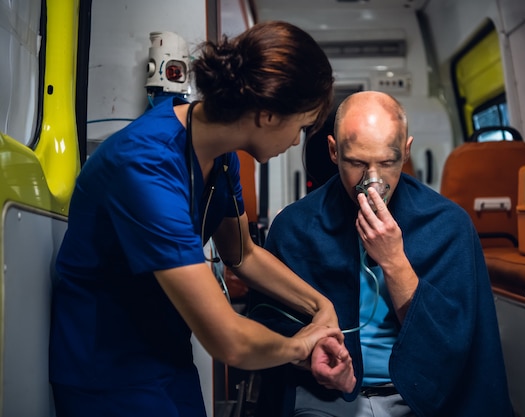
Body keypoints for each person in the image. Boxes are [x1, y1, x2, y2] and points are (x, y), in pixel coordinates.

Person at [49, 21, 353, 417]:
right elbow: (230, 342)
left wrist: (320, 306)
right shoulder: (145, 165)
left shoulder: (221, 156)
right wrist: (302, 344)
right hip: (106, 370)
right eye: (300, 125)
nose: (297, 140)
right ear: (266, 115)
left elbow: (242, 253)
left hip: (166, 355)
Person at [249, 91, 514, 416]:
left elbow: (453, 345)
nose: (372, 182)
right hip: (323, 394)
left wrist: (393, 260)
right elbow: (265, 320)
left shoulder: (449, 225)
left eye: (387, 163)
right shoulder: (295, 226)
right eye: (357, 163)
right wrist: (312, 354)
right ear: (334, 151)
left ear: (406, 151)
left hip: (419, 392)